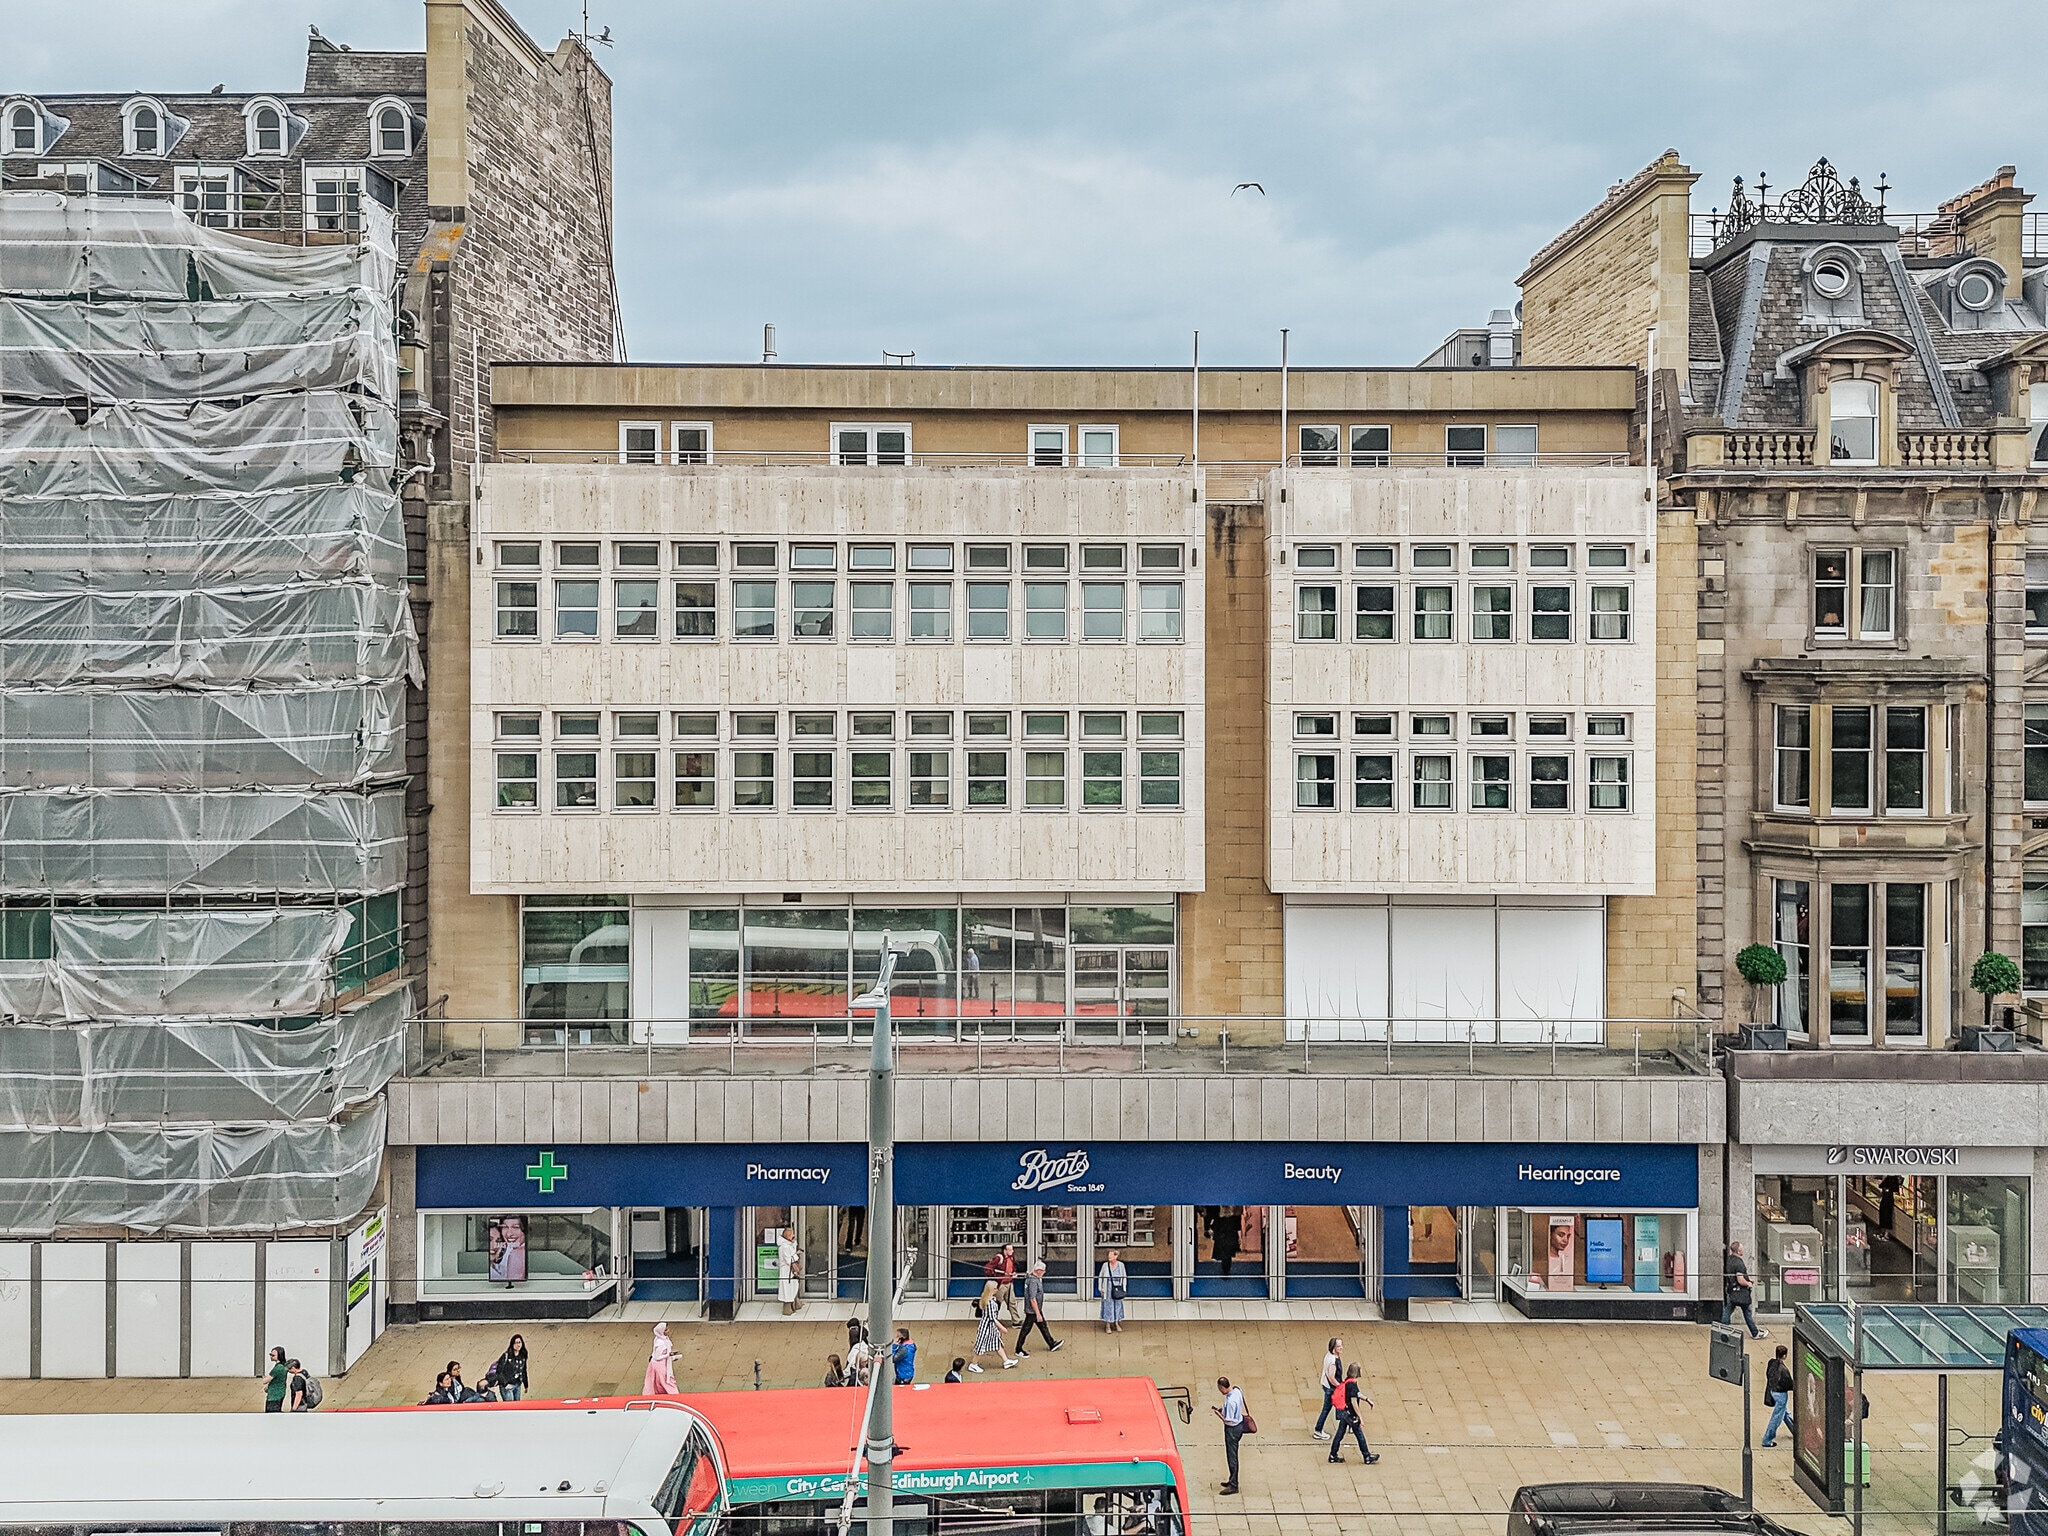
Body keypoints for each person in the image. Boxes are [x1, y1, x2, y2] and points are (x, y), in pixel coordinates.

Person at [1327, 1364, 1378, 1465]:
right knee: (1359, 1435)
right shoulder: (1352, 1384)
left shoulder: (1348, 1381)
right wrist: (1360, 1418)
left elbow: (1357, 1394)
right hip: (1350, 1415)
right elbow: (1354, 1402)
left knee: (1340, 1434)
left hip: (1344, 1412)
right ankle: (1367, 1456)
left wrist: (1367, 1399)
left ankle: (1333, 1455)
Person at [968, 1282, 1018, 1371]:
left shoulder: (988, 1299)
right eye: (995, 1288)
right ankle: (973, 1364)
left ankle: (1006, 1361)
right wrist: (1002, 1327)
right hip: (987, 1328)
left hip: (990, 1327)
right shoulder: (990, 1302)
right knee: (981, 1346)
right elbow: (992, 1318)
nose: (997, 1289)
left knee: (997, 1343)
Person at [1017, 1259, 1063, 1356]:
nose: (1044, 1273)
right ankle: (1018, 1348)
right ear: (1038, 1270)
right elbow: (1032, 1298)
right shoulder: (1033, 1281)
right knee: (1026, 1329)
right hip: (1033, 1310)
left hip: (1034, 1309)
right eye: (1043, 1271)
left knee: (1043, 1326)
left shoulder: (1030, 1278)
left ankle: (1051, 1343)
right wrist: (1037, 1313)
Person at [1722, 1241, 1767, 1338]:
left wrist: (1747, 1279)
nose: (1743, 1250)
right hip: (1741, 1293)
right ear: (1738, 1251)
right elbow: (1740, 1279)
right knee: (1747, 1313)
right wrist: (1749, 1283)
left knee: (1727, 1312)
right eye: (1742, 1249)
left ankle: (1723, 1332)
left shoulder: (1729, 1260)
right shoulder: (1739, 1263)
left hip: (1731, 1290)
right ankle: (1755, 1333)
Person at [1213, 1376, 1246, 1495]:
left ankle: (1234, 1484)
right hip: (1240, 1423)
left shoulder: (1231, 1402)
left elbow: (1229, 1420)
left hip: (1232, 1429)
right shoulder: (1237, 1391)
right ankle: (1232, 1479)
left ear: (1222, 1387)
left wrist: (1219, 1415)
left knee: (1232, 1456)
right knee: (1232, 1455)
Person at [1762, 1344, 1794, 1448]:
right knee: (1777, 1417)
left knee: (1784, 1412)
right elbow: (1788, 1383)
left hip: (1772, 1391)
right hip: (1780, 1394)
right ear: (1784, 1355)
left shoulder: (1772, 1363)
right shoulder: (1783, 1370)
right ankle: (1767, 1439)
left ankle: (1794, 1429)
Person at [1313, 1337, 1344, 1440]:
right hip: (1331, 1388)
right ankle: (1318, 1430)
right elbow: (1331, 1376)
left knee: (1328, 1408)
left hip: (1326, 1385)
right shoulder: (1333, 1361)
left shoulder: (1329, 1355)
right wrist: (1340, 1386)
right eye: (1339, 1346)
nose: (1341, 1348)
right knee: (1326, 1409)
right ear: (1334, 1348)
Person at [985, 1242, 1022, 1324]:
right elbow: (988, 1268)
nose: (1012, 1251)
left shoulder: (1011, 1258)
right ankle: (992, 1320)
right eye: (1010, 1249)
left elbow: (1012, 1267)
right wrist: (995, 1276)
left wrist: (1014, 1273)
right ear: (1005, 1250)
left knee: (1012, 1302)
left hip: (1009, 1283)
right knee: (997, 1303)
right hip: (1001, 1285)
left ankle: (1016, 1321)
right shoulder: (999, 1258)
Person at [1098, 1248, 1128, 1334]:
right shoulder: (1105, 1265)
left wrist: (1124, 1289)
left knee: (1118, 1304)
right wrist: (1101, 1288)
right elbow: (1101, 1277)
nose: (1109, 1257)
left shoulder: (1121, 1265)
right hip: (1108, 1287)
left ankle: (1116, 1323)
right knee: (1108, 1305)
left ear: (1116, 1256)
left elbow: (1124, 1276)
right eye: (1108, 1255)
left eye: (1111, 1255)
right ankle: (1108, 1325)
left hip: (1118, 1286)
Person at [493, 1334, 530, 1402]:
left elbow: (524, 1370)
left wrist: (526, 1384)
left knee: (517, 1405)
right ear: (512, 1344)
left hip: (517, 1384)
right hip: (507, 1385)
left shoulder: (523, 1355)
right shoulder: (506, 1356)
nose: (518, 1345)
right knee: (510, 1405)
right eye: (516, 1343)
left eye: (519, 1342)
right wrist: (505, 1384)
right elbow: (499, 1372)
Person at [643, 1322, 677, 1395]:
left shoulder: (663, 1339)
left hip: (660, 1364)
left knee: (659, 1381)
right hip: (659, 1365)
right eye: (666, 1330)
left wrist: (672, 1357)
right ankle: (674, 1394)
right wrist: (669, 1355)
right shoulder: (660, 1343)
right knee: (667, 1380)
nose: (668, 1331)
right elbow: (657, 1357)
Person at [777, 1225, 804, 1315]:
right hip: (787, 1272)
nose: (794, 1236)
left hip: (790, 1272)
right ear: (788, 1236)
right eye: (792, 1234)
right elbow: (789, 1260)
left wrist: (793, 1243)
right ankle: (788, 1309)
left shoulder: (788, 1245)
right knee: (788, 1290)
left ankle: (795, 1304)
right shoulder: (785, 1247)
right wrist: (796, 1254)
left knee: (793, 1287)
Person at [1212, 1208, 1241, 1278]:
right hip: (1230, 1239)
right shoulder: (1234, 1219)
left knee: (1223, 1255)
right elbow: (1238, 1228)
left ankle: (1225, 1270)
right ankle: (1226, 1270)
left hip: (1221, 1239)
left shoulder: (1218, 1219)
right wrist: (1239, 1238)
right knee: (1228, 1256)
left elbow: (1214, 1228)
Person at [262, 1345, 288, 1413]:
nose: (271, 1356)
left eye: (273, 1355)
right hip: (280, 1393)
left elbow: (265, 1381)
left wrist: (265, 1377)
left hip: (274, 1396)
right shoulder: (283, 1366)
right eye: (270, 1354)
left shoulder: (278, 1368)